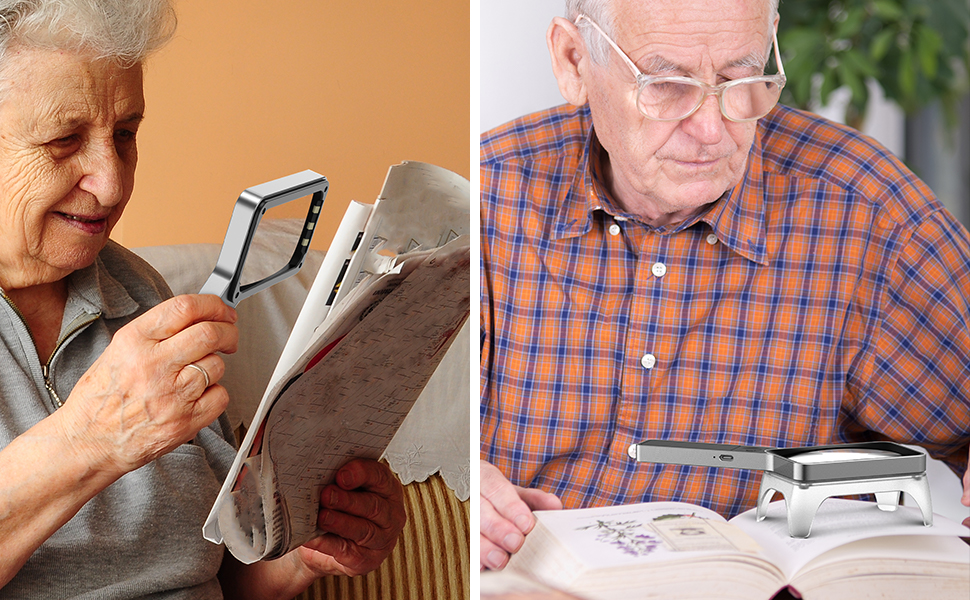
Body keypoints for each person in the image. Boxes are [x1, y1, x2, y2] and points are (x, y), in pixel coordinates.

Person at [480, 0, 970, 571]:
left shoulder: (864, 211)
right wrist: (464, 490)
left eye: (742, 79)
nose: (712, 129)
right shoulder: (490, 199)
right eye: (666, 85)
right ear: (573, 61)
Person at [0, 0, 405, 596]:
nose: (112, 183)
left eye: (126, 133)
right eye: (64, 140)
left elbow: (214, 570)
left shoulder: (136, 292)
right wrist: (88, 440)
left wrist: (309, 550)